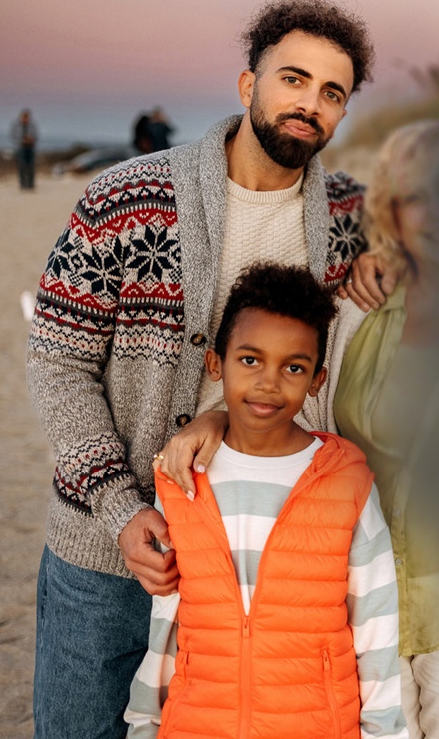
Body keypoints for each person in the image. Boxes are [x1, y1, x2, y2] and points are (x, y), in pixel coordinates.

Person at [159, 120, 439, 739]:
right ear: (393, 210)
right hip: (356, 601)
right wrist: (217, 415)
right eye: (418, 196)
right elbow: (295, 408)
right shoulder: (358, 309)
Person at [26, 0, 373, 739]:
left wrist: (389, 261)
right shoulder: (125, 198)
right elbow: (58, 362)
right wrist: (121, 509)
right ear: (248, 85)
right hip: (106, 553)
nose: (308, 104)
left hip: (254, 566)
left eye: (331, 92)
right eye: (293, 78)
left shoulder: (348, 220)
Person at [123, 263, 407, 739]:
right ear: (216, 365)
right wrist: (146, 723)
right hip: (197, 724)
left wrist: (383, 732)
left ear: (317, 379)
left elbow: (376, 624)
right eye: (250, 360)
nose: (269, 382)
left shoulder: (346, 480)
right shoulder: (179, 478)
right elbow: (167, 625)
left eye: (293, 367)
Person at [13, 107, 38, 189]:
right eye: (24, 117)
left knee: (31, 166)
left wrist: (30, 140)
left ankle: (31, 185)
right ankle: (22, 185)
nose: (25, 119)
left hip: (30, 148)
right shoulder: (17, 126)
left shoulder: (32, 126)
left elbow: (36, 136)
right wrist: (22, 140)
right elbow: (14, 136)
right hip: (21, 148)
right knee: (22, 166)